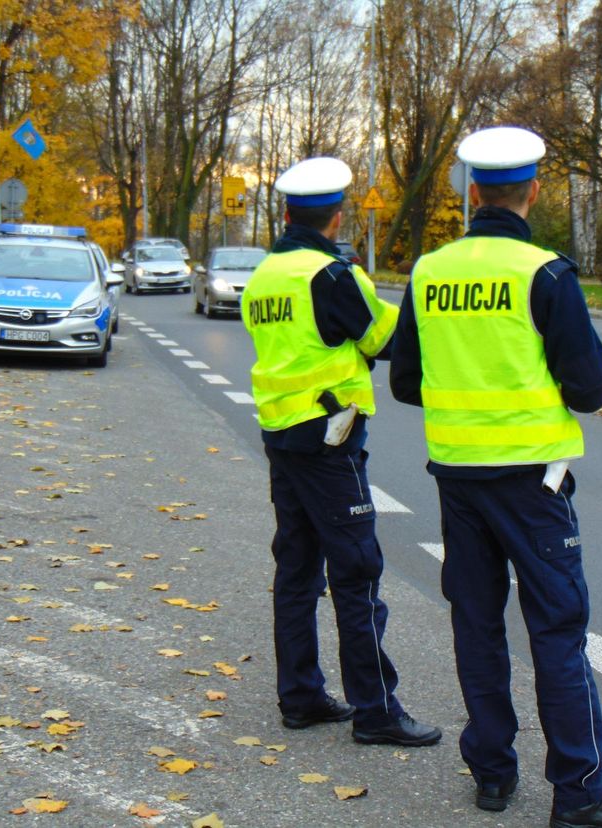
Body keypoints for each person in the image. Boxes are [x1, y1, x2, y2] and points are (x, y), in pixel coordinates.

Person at [389, 127, 602, 827]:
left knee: (476, 625)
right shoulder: (547, 274)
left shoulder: (428, 272)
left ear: (472, 192)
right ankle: (581, 794)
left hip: (456, 478)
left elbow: (408, 384)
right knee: (557, 633)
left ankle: (492, 774)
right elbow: (591, 388)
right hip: (532, 485)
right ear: (534, 190)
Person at [241, 156, 441, 748]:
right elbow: (380, 338)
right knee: (357, 570)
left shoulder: (265, 275)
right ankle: (376, 710)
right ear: (338, 214)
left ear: (285, 214)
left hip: (282, 435)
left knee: (297, 569)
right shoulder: (331, 275)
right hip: (330, 438)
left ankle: (299, 697)